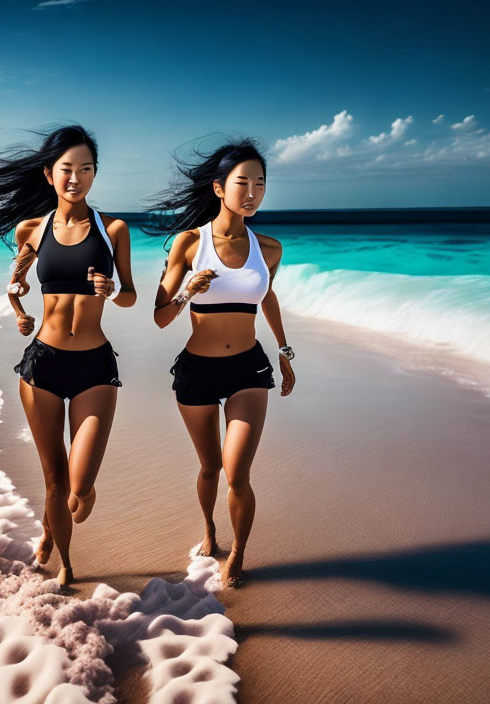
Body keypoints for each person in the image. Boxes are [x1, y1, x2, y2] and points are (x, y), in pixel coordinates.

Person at [0, 125, 136, 586]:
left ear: (94, 174)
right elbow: (15, 285)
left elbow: (129, 295)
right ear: (49, 174)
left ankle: (59, 521)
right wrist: (18, 312)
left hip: (94, 367)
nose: (76, 178)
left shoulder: (113, 229)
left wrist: (112, 290)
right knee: (54, 480)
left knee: (79, 487)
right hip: (42, 365)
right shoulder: (31, 229)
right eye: (67, 170)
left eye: (86, 169)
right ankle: (64, 563)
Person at [148, 139, 295, 588]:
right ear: (218, 188)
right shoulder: (189, 243)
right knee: (210, 466)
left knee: (238, 471)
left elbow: (266, 295)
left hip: (249, 369)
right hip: (197, 369)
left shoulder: (268, 248)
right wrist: (189, 289)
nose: (252, 192)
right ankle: (210, 530)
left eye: (261, 183)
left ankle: (239, 556)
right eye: (242, 182)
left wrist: (285, 353)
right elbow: (160, 316)